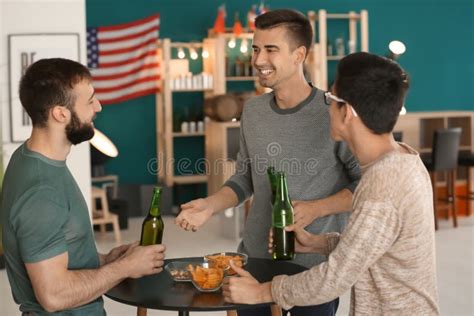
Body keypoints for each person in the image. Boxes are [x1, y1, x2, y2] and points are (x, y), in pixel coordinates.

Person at [222, 52, 440, 315]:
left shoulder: (383, 186)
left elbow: (334, 277)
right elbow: (368, 248)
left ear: (346, 112)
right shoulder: (405, 159)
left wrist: (261, 292)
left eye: (330, 98)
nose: (325, 107)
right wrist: (317, 243)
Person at [176, 9, 360, 316]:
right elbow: (245, 178)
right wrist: (210, 204)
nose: (259, 60)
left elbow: (365, 184)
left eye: (271, 50)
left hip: (311, 272)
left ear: (299, 54)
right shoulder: (253, 111)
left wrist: (316, 208)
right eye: (256, 49)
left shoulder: (334, 113)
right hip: (254, 262)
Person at [0, 58, 166, 315]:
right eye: (90, 100)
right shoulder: (42, 191)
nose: (98, 106)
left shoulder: (32, 159)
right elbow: (54, 296)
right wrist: (124, 269)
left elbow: (61, 251)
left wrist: (109, 259)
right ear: (60, 113)